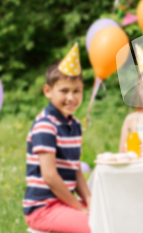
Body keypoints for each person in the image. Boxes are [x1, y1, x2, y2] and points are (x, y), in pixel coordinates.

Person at [23, 43, 91, 233]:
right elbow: (50, 176)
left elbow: (75, 169)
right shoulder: (45, 125)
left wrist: (90, 201)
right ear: (48, 91)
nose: (71, 97)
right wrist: (79, 208)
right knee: (94, 227)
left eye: (76, 91)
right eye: (64, 91)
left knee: (106, 214)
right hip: (42, 207)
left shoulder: (74, 125)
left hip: (62, 203)